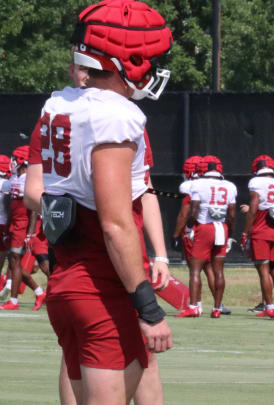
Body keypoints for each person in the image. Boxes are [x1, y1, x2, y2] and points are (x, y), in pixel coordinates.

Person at [23, 1, 173, 403]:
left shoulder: (59, 105)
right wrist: (148, 307)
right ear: (131, 59)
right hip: (101, 283)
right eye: (152, 57)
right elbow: (115, 222)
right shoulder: (114, 114)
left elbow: (45, 193)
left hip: (66, 279)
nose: (156, 67)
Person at [176, 155, 237, 318]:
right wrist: (230, 235)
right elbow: (232, 215)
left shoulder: (197, 184)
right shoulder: (230, 186)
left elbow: (194, 211)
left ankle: (194, 306)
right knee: (219, 271)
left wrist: (189, 228)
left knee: (195, 270)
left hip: (204, 228)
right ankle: (217, 308)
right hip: (222, 228)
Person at [242, 154, 274, 318]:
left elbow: (254, 207)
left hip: (261, 230)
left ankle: (269, 306)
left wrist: (245, 231)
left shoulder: (256, 182)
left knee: (263, 271)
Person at [0, 146, 47, 310]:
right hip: (15, 224)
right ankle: (39, 292)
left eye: (14, 158)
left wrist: (30, 233)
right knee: (15, 263)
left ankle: (16, 300)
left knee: (16, 262)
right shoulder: (15, 179)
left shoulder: (28, 179)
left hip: (23, 225)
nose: (12, 162)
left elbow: (33, 207)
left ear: (21, 161)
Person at [0, 154, 13, 297]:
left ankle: (7, 282)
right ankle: (7, 281)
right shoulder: (9, 183)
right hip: (6, 223)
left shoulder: (8, 184)